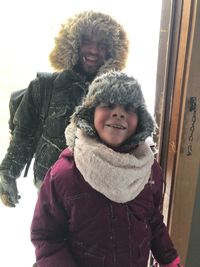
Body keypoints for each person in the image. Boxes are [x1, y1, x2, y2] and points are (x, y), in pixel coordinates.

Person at [30, 71, 183, 267]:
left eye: (129, 108)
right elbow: (47, 236)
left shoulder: (149, 170)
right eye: (108, 105)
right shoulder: (64, 174)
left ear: (141, 119)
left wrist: (170, 260)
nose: (119, 113)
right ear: (90, 112)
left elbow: (153, 220)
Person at [0, 11, 129, 207]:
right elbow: (23, 135)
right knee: (48, 236)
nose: (94, 50)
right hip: (50, 188)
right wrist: (7, 173)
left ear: (112, 52)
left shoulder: (118, 94)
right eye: (87, 41)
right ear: (73, 44)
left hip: (97, 193)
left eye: (102, 45)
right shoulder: (44, 86)